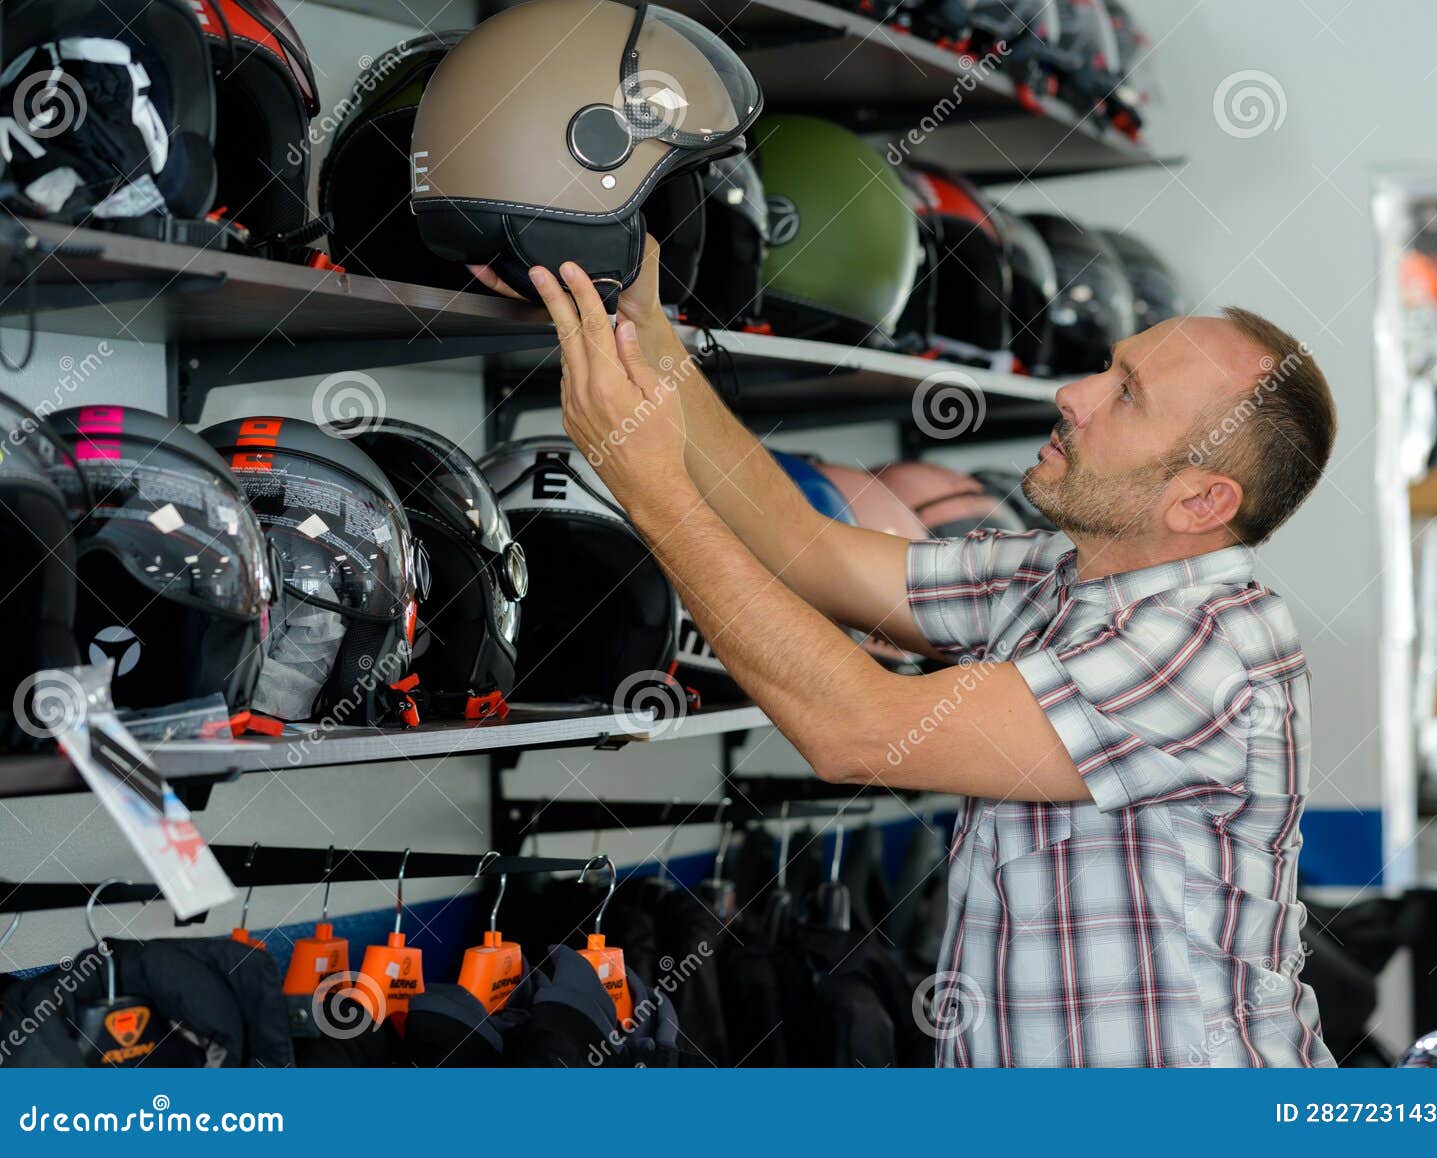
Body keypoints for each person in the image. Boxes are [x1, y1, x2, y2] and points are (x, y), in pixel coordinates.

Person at [471, 236, 1339, 1068]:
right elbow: (808, 550)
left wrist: (647, 486)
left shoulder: (1204, 645)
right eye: (1108, 367)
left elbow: (859, 730)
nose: (1075, 392)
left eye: (1127, 394)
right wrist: (650, 342)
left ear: (1199, 501)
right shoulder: (1059, 582)